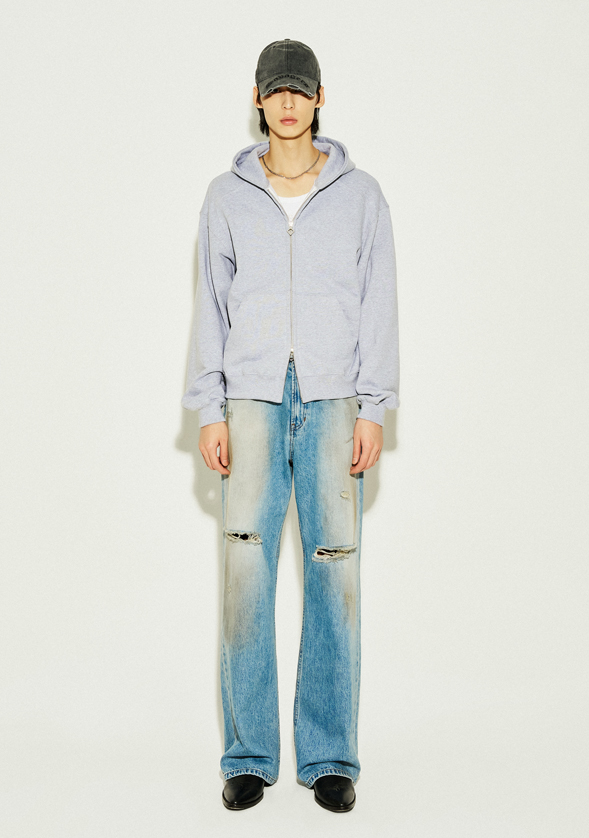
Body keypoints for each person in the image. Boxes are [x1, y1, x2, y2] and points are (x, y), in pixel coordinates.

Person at [181, 38, 400, 813]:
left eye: (298, 90)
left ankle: (330, 757)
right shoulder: (226, 196)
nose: (286, 103)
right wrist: (209, 406)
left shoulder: (361, 195)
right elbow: (209, 306)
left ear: (318, 99)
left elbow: (378, 304)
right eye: (274, 90)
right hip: (249, 401)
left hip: (336, 402)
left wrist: (373, 405)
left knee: (333, 572)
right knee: (245, 572)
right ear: (257, 98)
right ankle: (247, 756)